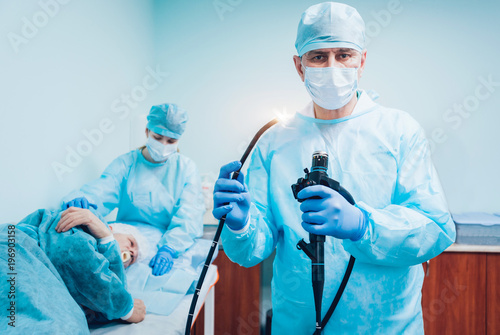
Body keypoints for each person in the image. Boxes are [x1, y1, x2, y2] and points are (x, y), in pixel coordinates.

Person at [212, 2, 456, 334]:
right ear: (299, 66)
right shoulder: (274, 141)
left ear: (362, 61)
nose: (331, 66)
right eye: (318, 57)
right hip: (296, 324)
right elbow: (255, 249)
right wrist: (241, 224)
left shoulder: (399, 131)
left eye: (344, 55)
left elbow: (435, 229)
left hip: (386, 326)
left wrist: (362, 225)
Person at [63, 103, 205, 277]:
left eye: (171, 141)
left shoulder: (185, 168)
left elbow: (189, 215)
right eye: (158, 137)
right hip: (123, 231)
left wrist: (169, 248)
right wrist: (84, 199)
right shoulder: (126, 163)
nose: (164, 145)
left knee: (116, 264)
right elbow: (103, 188)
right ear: (147, 131)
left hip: (162, 239)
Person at [0, 207, 146, 334]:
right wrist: (127, 310)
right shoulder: (84, 222)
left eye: (133, 258)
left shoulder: (108, 271)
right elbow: (74, 258)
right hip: (14, 253)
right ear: (112, 228)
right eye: (131, 242)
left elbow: (100, 301)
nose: (131, 252)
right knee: (55, 327)